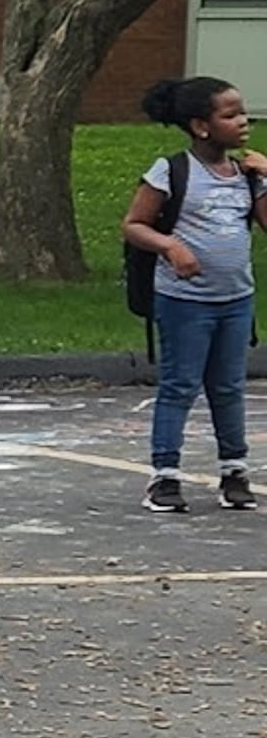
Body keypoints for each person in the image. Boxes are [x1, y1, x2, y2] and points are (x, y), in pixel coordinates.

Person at [123, 74, 263, 513]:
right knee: (180, 385)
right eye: (231, 114)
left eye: (243, 112)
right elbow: (135, 224)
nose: (243, 121)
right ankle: (164, 477)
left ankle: (234, 471)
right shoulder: (172, 171)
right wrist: (170, 245)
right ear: (201, 126)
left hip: (235, 299)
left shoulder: (246, 174)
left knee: (228, 386)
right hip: (185, 301)